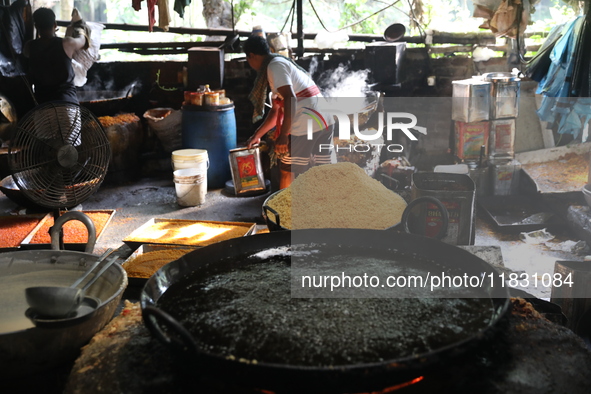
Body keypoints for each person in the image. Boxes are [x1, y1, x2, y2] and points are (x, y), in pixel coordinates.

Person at [244, 35, 334, 189]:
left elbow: (290, 98)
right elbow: (275, 112)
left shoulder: (275, 66)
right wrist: (256, 136)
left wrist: (284, 135)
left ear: (251, 56)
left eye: (248, 59)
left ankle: (283, 212)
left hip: (308, 121)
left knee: (287, 171)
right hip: (325, 119)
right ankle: (326, 209)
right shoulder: (279, 65)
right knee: (323, 171)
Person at [23, 7, 88, 105]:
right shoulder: (67, 43)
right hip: (67, 104)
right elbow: (82, 40)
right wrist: (80, 27)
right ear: (55, 25)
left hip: (42, 106)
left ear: (36, 26)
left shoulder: (28, 47)